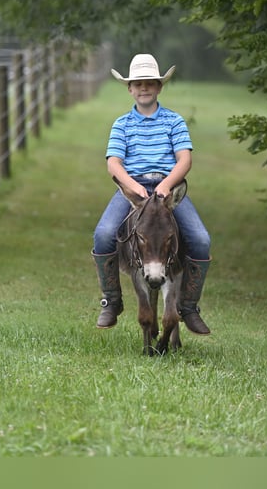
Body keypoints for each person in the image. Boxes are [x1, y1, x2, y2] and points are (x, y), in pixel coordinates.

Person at [91, 53, 212, 335]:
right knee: (104, 233)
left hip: (166, 189)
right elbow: (113, 163)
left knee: (200, 239)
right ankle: (112, 300)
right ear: (130, 89)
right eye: (138, 84)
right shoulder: (122, 124)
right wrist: (133, 188)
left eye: (150, 83)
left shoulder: (174, 121)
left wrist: (167, 185)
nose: (144, 88)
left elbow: (184, 160)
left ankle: (189, 306)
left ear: (159, 87)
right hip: (133, 190)